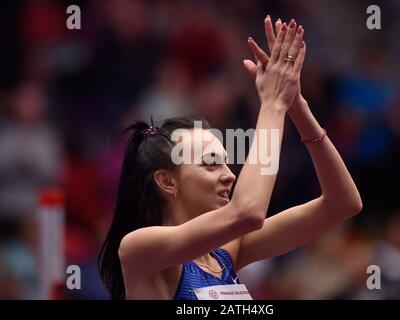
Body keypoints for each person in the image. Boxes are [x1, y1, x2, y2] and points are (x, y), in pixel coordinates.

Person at [99, 16, 362, 300]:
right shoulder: (140, 249)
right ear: (167, 181)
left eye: (226, 162)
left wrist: (297, 107)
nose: (230, 174)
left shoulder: (227, 252)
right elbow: (248, 212)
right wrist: (273, 103)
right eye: (210, 163)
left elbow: (342, 204)